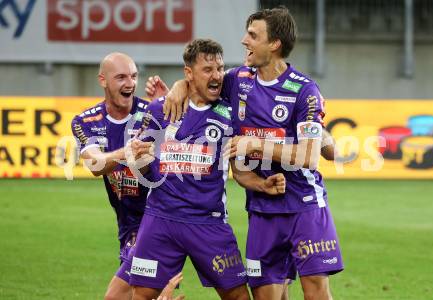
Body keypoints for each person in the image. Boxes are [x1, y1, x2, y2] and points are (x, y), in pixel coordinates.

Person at [146, 6, 344, 300]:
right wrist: (177, 88)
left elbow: (309, 157)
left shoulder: (305, 90)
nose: (244, 41)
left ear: (274, 44)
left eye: (253, 35)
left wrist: (255, 145)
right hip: (262, 209)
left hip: (305, 206)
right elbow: (201, 80)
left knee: (315, 292)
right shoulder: (237, 79)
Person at [124, 39, 286, 300]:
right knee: (142, 294)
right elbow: (139, 162)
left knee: (238, 297)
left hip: (208, 223)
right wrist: (138, 157)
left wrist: (261, 184)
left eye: (220, 69)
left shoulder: (230, 113)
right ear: (189, 73)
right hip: (160, 220)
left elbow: (240, 170)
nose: (217, 76)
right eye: (208, 70)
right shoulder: (160, 109)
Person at [71, 52, 155, 300]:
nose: (129, 83)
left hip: (158, 219)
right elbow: (95, 165)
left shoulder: (153, 113)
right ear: (103, 80)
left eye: (133, 76)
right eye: (120, 77)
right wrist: (126, 153)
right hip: (128, 223)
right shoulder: (85, 121)